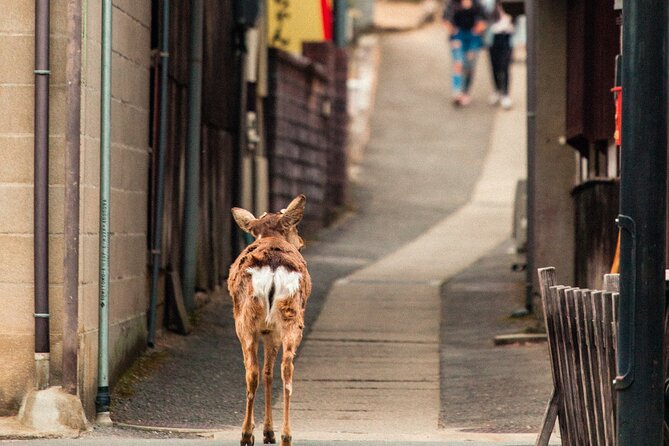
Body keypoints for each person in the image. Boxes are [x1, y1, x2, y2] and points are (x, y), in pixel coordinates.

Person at [443, 0, 488, 106]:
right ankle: (457, 92)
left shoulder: (477, 4)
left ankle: (465, 92)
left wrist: (478, 29)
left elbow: (484, 20)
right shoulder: (452, 3)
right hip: (458, 36)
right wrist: (453, 33)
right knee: (458, 63)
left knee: (470, 66)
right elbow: (446, 19)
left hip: (473, 38)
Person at [487, 0, 514, 109]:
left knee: (505, 65)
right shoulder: (489, 3)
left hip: (507, 36)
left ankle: (505, 93)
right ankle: (497, 90)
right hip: (493, 36)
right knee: (494, 65)